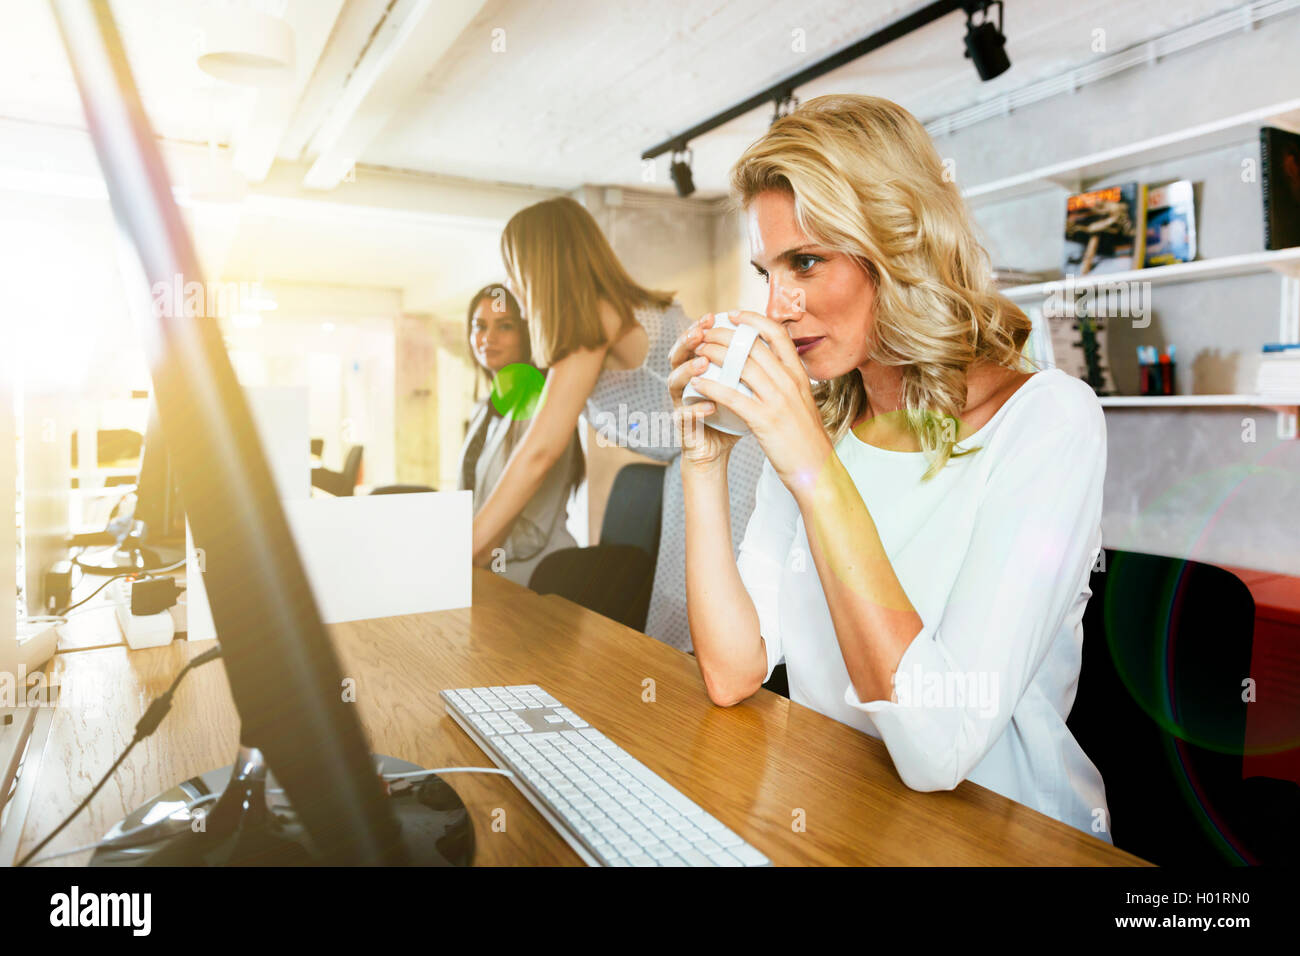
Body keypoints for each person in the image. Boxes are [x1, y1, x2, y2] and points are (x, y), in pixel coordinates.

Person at [668, 94, 1110, 839]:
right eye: (767, 270)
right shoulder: (825, 427)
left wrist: (811, 464)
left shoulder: (1051, 421)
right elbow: (733, 670)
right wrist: (704, 464)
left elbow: (940, 751)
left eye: (806, 261)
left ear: (897, 249)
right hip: (842, 815)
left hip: (1002, 838)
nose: (777, 306)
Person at [471, 197, 764, 650]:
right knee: (685, 617)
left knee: (704, 616)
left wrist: (463, 554)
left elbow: (540, 452)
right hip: (701, 458)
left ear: (540, 268)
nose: (510, 284)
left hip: (734, 457)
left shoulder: (596, 317)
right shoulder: (599, 318)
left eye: (515, 269)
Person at [457, 283, 582, 587]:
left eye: (505, 326)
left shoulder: (543, 405)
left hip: (537, 579)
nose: (488, 338)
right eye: (480, 326)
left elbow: (532, 532)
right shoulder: (486, 407)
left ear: (527, 333)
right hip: (483, 570)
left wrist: (470, 553)